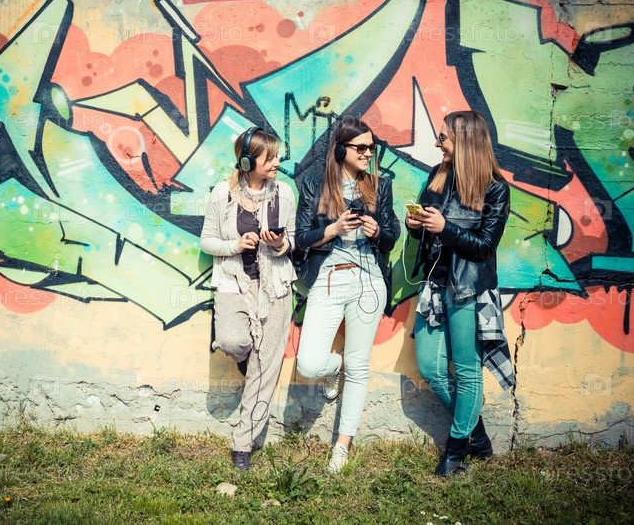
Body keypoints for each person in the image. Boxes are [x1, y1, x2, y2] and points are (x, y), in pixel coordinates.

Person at [405, 110, 514, 478]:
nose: (438, 144)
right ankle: (477, 436)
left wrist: (445, 227)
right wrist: (416, 226)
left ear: (465, 141)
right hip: (434, 286)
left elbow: (484, 246)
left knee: (467, 371)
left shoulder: (495, 188)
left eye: (443, 138)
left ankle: (455, 454)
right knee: (431, 368)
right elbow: (426, 230)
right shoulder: (437, 177)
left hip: (469, 289)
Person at [294, 117, 400, 473]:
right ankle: (335, 365)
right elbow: (301, 238)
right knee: (309, 364)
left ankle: (342, 445)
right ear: (341, 149)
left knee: (359, 367)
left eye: (372, 148)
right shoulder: (314, 185)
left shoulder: (380, 187)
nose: (368, 154)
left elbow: (392, 238)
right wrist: (333, 229)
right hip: (329, 278)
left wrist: (377, 231)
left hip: (369, 281)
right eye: (361, 148)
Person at [200, 126, 296, 472]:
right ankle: (246, 361)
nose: (277, 162)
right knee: (232, 340)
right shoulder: (222, 193)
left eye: (277, 156)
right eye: (270, 158)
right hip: (233, 284)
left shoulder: (285, 193)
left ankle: (243, 444)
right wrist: (235, 245)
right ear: (247, 161)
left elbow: (292, 240)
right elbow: (207, 240)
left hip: (275, 288)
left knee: (265, 370)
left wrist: (280, 244)